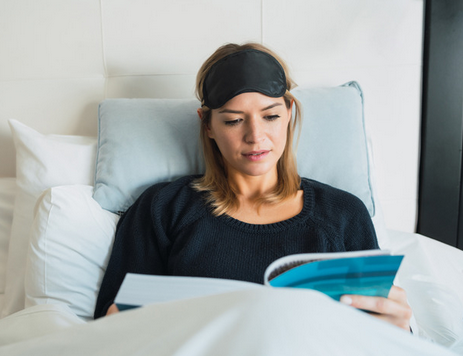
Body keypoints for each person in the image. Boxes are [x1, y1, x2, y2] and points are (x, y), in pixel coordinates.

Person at [94, 42, 412, 331]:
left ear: (289, 112)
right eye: (233, 120)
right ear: (207, 125)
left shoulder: (343, 214)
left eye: (271, 116)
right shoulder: (164, 208)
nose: (255, 136)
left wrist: (397, 329)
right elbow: (106, 330)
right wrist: (117, 329)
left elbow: (379, 343)